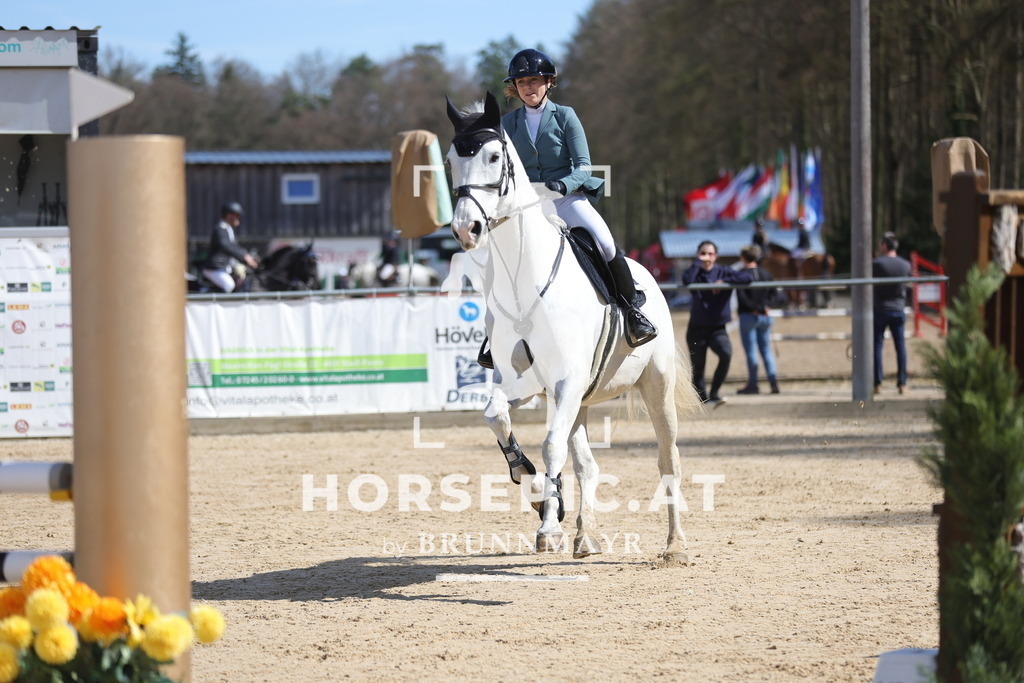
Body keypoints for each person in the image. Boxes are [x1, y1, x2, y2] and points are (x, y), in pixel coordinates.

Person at [497, 48, 655, 349]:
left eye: (534, 80)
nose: (528, 87)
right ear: (514, 88)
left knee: (605, 241)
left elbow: (584, 166)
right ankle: (497, 334)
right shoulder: (509, 123)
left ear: (549, 82)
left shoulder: (565, 115)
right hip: (528, 204)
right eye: (522, 82)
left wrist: (561, 185)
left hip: (565, 198)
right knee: (502, 256)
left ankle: (632, 311)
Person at [680, 240, 753, 407]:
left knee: (726, 354)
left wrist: (726, 283)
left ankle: (714, 393)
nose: (707, 257)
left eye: (711, 254)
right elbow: (686, 280)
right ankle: (702, 398)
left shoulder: (724, 272)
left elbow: (747, 278)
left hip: (717, 328)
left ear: (716, 256)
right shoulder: (695, 272)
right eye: (703, 253)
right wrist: (697, 263)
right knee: (698, 364)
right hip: (697, 327)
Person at [734, 245, 780, 395]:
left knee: (751, 352)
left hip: (749, 316)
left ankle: (753, 384)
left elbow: (742, 297)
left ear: (743, 258)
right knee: (766, 351)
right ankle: (773, 382)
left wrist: (754, 308)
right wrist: (767, 307)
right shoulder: (765, 273)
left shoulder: (741, 274)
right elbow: (775, 294)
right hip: (765, 316)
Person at [872, 232, 912, 394]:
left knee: (877, 346)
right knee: (900, 347)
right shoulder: (905, 265)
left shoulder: (876, 264)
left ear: (884, 245)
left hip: (880, 309)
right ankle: (902, 383)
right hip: (897, 309)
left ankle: (877, 383)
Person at [201, 201, 258, 293]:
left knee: (242, 282)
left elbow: (235, 246)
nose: (238, 218)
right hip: (215, 268)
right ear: (229, 215)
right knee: (229, 285)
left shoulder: (229, 230)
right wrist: (244, 257)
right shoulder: (220, 230)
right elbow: (226, 246)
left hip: (225, 267)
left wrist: (246, 255)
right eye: (236, 215)